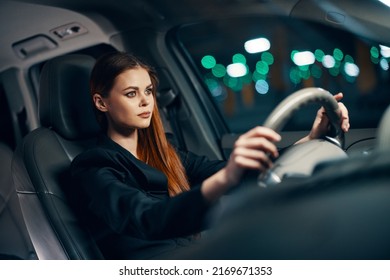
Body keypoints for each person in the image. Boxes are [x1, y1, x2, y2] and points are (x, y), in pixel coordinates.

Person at [70, 51, 350, 259]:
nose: (146, 102)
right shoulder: (93, 166)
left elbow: (232, 169)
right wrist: (226, 178)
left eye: (149, 91)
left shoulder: (165, 152)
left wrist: (311, 139)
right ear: (101, 102)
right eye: (131, 94)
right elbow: (147, 218)